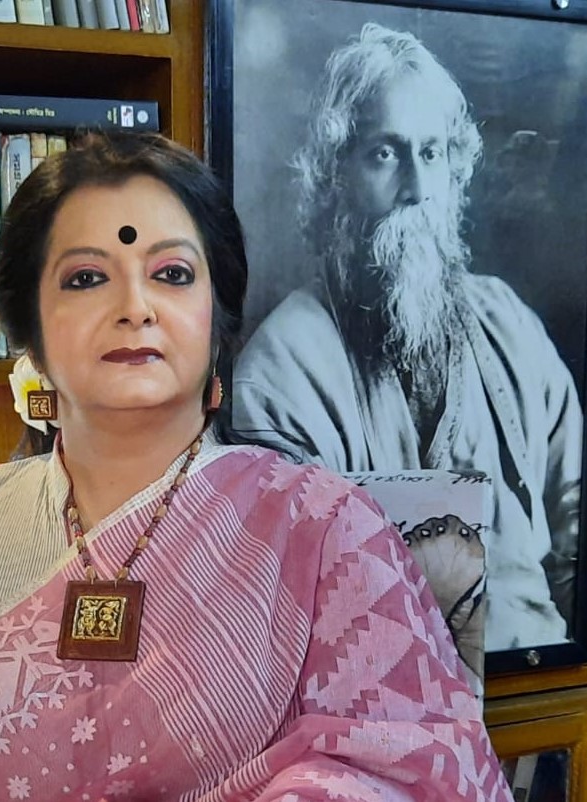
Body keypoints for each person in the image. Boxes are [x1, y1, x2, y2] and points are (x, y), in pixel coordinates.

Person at [0, 131, 511, 801]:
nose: (134, 307)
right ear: (28, 327)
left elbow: (404, 771)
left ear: (217, 317)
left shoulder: (324, 530)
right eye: (85, 278)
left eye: (171, 273)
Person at [232, 23, 583, 653]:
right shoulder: (280, 374)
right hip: (383, 699)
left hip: (551, 692)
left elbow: (575, 519)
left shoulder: (508, 322)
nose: (417, 189)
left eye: (433, 152)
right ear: (336, 172)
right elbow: (304, 614)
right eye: (386, 154)